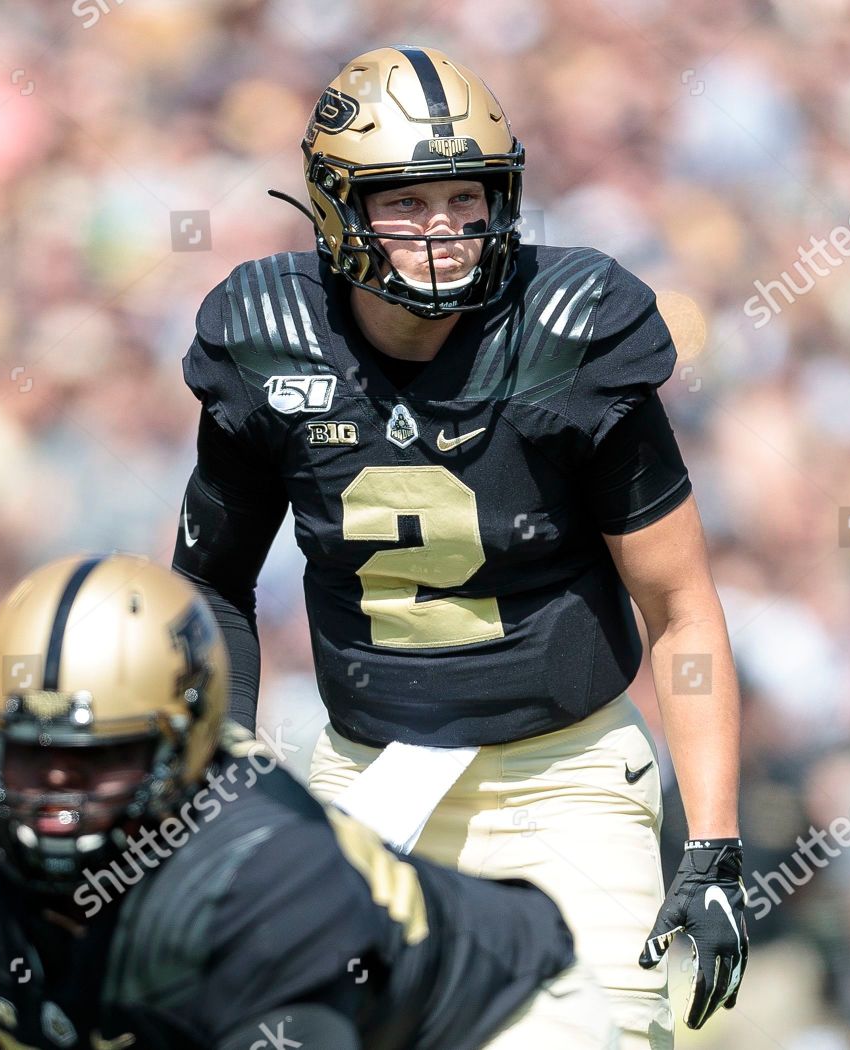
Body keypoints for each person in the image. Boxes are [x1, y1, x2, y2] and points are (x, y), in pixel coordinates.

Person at [172, 45, 746, 1048]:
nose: (443, 231)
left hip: (565, 779)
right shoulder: (268, 337)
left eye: (463, 200)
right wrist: (229, 786)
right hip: (371, 777)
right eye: (407, 202)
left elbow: (680, 607)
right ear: (337, 204)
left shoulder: (571, 329)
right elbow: (212, 589)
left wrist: (715, 844)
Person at [0, 553, 614, 1050]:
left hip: (489, 1023)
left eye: (101, 756)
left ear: (192, 744)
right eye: (32, 752)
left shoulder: (263, 881)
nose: (57, 790)